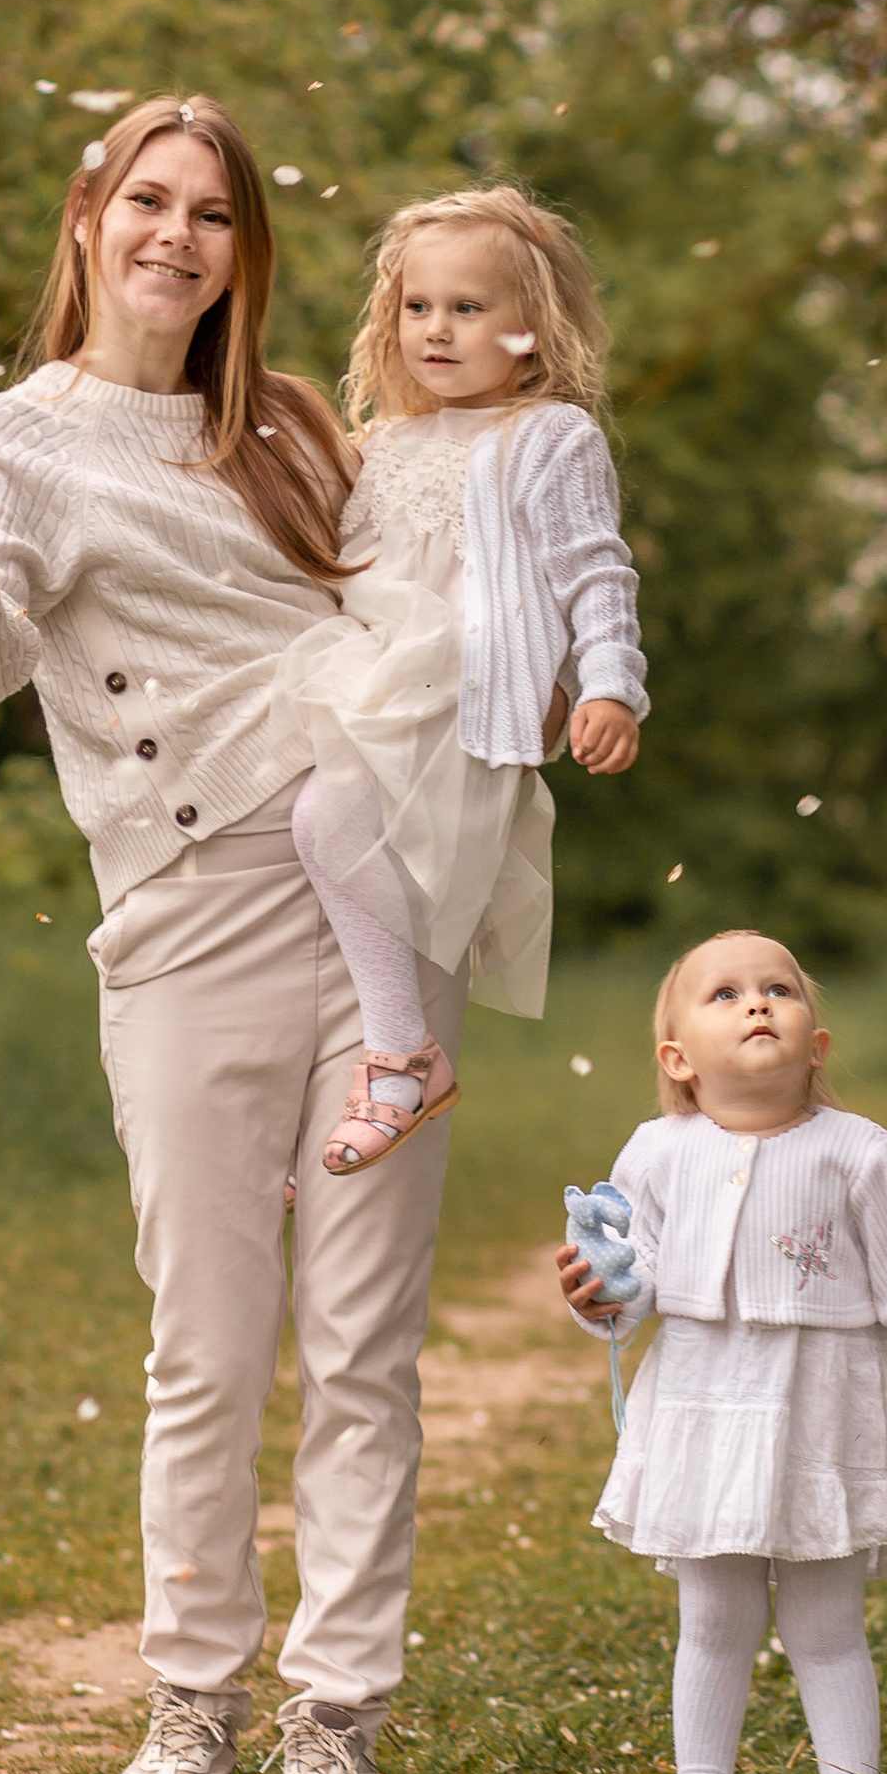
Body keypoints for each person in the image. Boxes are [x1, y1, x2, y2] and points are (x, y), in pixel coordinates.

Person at [0, 96, 457, 1774]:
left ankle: (338, 1723)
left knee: (365, 1344)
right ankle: (193, 1702)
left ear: (246, 252)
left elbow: (413, 619)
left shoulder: (297, 428)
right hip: (186, 917)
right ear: (89, 216)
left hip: (375, 912)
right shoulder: (6, 441)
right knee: (208, 1342)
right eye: (150, 200)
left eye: (215, 213)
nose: (178, 234)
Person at [557, 930, 887, 1774]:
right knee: (713, 1617)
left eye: (779, 989)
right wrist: (601, 1298)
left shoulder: (860, 1154)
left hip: (822, 1411)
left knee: (826, 1624)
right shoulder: (656, 1152)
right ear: (678, 1059)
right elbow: (634, 1281)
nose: (757, 1003)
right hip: (704, 1407)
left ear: (815, 1044)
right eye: (726, 994)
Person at [278, 185, 648, 1175]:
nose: (436, 330)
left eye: (468, 308)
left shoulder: (547, 437)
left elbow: (595, 572)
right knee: (295, 837)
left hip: (469, 690)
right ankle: (276, 1108)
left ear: (531, 328)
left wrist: (608, 684)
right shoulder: (386, 441)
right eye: (418, 307)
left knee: (326, 818)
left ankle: (403, 1058)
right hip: (372, 674)